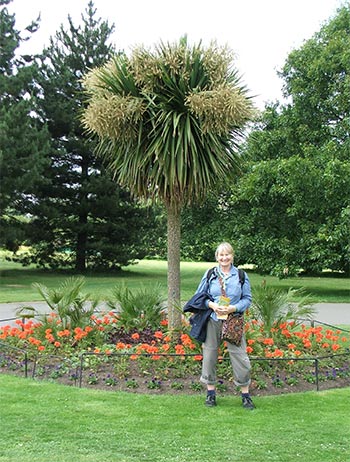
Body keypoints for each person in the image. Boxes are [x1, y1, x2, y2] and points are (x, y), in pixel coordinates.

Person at [195, 242, 255, 409]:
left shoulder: (241, 276)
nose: (224, 258)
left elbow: (247, 299)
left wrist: (233, 308)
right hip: (213, 320)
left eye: (227, 254)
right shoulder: (210, 274)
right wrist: (212, 305)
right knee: (210, 355)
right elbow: (199, 297)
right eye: (221, 255)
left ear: (232, 256)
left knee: (240, 356)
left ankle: (245, 395)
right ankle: (210, 394)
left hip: (233, 321)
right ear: (217, 257)